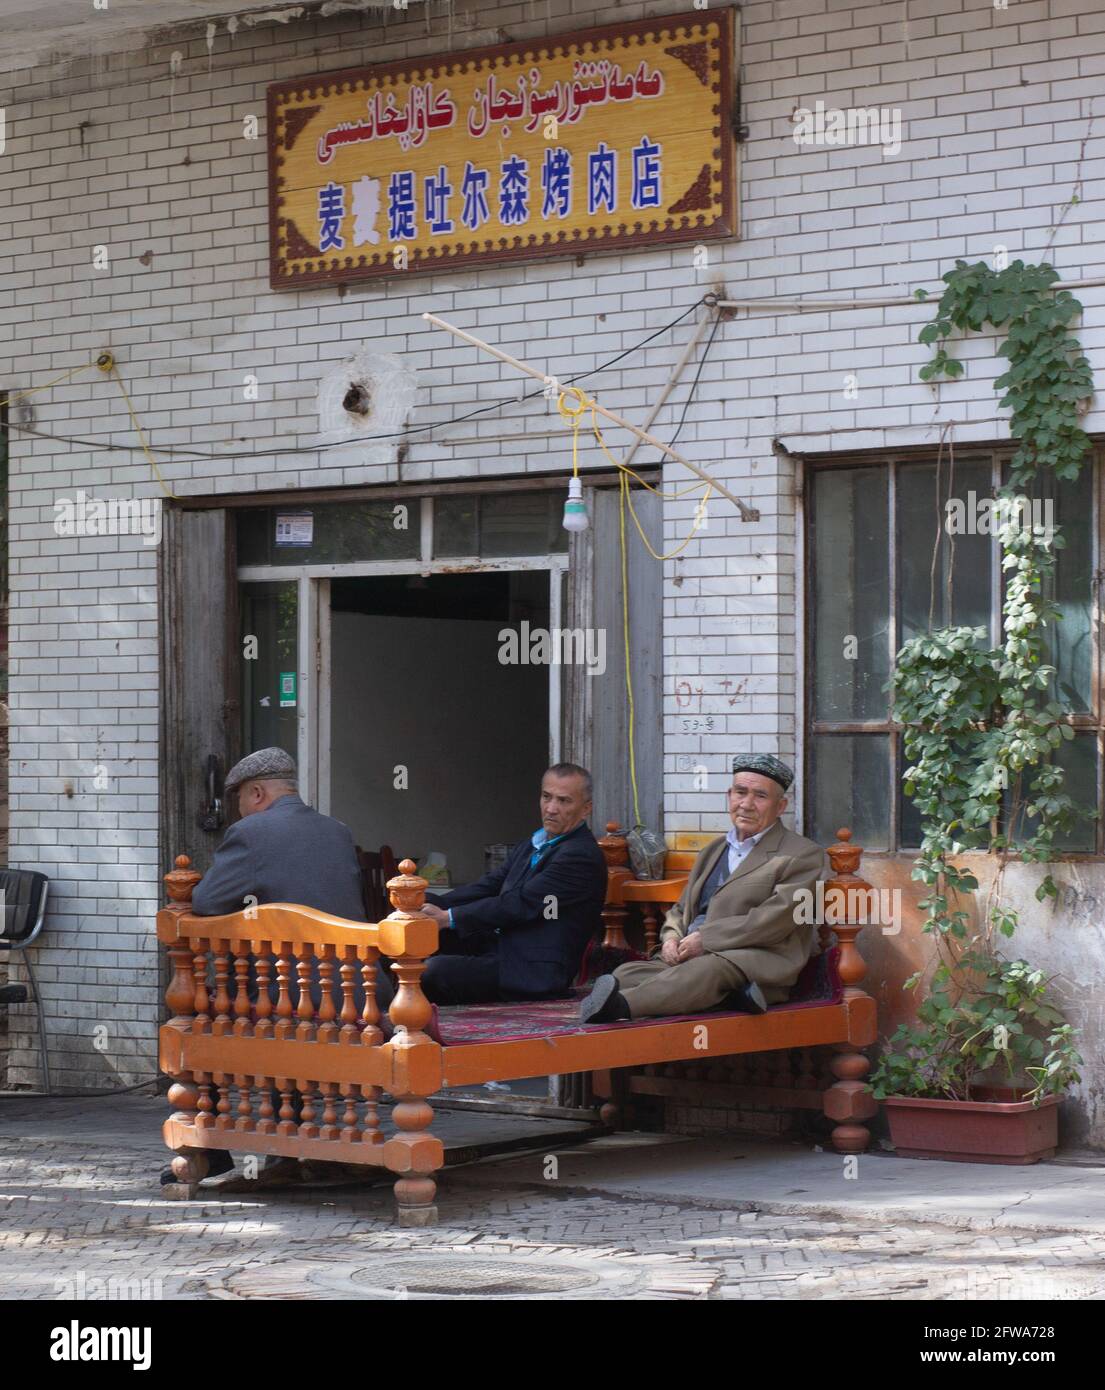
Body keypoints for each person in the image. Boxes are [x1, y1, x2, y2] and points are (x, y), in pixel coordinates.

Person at [163, 747, 365, 1186]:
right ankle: (304, 1148)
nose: (239, 810)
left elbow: (207, 902)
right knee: (261, 993)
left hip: (295, 999)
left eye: (239, 800)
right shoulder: (337, 831)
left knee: (200, 1011)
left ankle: (211, 1153)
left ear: (256, 793)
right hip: (359, 996)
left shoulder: (251, 834)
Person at [580, 755, 827, 1024]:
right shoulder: (714, 849)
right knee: (626, 973)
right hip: (696, 954)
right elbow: (682, 908)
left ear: (781, 806)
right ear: (729, 795)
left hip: (754, 958)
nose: (746, 804)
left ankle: (620, 1007)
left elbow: (773, 921)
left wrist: (705, 940)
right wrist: (672, 938)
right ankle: (729, 996)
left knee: (707, 971)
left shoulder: (802, 855)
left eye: (760, 796)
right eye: (740, 793)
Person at [378, 763, 607, 1007]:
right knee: (405, 929)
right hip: (497, 947)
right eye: (546, 797)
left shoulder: (580, 856)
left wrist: (448, 917)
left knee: (435, 971)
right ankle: (378, 1009)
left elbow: (520, 903)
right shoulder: (534, 843)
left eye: (564, 801)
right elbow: (489, 885)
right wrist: (425, 905)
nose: (551, 809)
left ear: (586, 809)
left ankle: (402, 1017)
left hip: (532, 969)